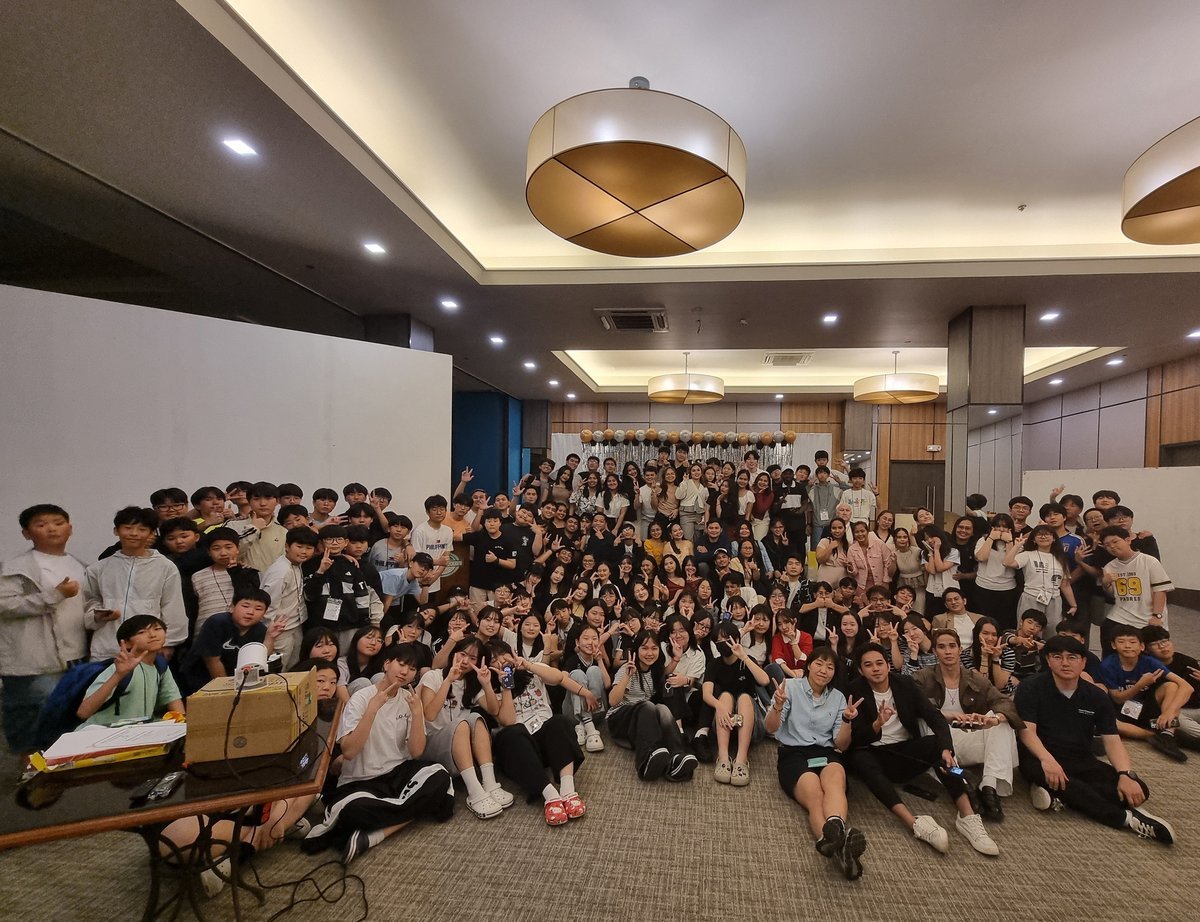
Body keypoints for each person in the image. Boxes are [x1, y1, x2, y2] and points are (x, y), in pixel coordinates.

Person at [302, 643, 455, 864]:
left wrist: (417, 713)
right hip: (361, 781)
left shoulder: (409, 699)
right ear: (386, 664)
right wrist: (373, 708)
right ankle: (404, 813)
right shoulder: (361, 698)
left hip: (397, 773)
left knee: (439, 776)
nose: (405, 672)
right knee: (354, 809)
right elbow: (349, 751)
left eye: (412, 668)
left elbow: (416, 751)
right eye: (401, 664)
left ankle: (374, 835)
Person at [1014, 635, 1175, 845]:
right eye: (1057, 657)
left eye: (1072, 657)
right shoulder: (1031, 687)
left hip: (1080, 758)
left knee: (1139, 790)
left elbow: (1112, 740)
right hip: (1038, 758)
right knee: (1074, 787)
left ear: (1083, 662)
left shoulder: (1096, 696)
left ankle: (1056, 795)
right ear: (1048, 660)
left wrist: (1126, 774)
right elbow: (1027, 732)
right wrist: (1047, 760)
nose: (1065, 663)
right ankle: (1126, 819)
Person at [844, 643, 999, 855]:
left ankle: (967, 815)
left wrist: (946, 749)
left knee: (939, 748)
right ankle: (913, 822)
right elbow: (857, 739)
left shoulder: (905, 684)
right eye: (868, 665)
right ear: (861, 670)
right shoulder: (854, 691)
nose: (876, 669)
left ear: (888, 665)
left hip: (905, 751)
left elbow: (935, 717)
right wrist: (877, 724)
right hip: (873, 753)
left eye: (879, 663)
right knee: (860, 758)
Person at [765, 646, 866, 881]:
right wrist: (778, 705)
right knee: (815, 795)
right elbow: (770, 728)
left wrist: (847, 720)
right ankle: (839, 844)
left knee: (835, 782)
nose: (824, 670)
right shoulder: (789, 688)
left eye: (830, 667)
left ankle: (831, 831)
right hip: (793, 753)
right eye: (819, 663)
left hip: (826, 752)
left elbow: (841, 744)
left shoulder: (838, 698)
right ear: (809, 665)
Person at [0, 504, 88, 754]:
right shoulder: (14, 567)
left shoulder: (79, 564)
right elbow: (5, 605)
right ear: (26, 533)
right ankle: (29, 773)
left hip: (77, 656)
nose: (52, 529)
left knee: (69, 722)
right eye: (41, 524)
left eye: (58, 523)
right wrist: (55, 594)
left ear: (70, 528)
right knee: (32, 723)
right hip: (33, 661)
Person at [912, 629, 1023, 821]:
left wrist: (993, 719)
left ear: (960, 649)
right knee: (925, 721)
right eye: (942, 647)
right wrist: (944, 716)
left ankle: (989, 786)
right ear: (935, 652)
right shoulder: (923, 676)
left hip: (967, 738)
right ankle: (962, 783)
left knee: (1002, 722)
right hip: (939, 744)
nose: (948, 651)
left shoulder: (974, 677)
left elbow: (1004, 702)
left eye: (952, 646)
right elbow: (910, 705)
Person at [484, 640, 591, 825]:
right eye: (494, 660)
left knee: (559, 722)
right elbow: (508, 721)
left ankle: (568, 791)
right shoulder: (489, 686)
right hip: (519, 749)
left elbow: (558, 678)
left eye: (503, 655)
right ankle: (550, 796)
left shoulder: (532, 669)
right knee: (513, 732)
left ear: (512, 653)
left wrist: (528, 665)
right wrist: (505, 686)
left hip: (545, 741)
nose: (501, 661)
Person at [419, 636, 514, 819]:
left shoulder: (470, 683)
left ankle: (489, 783)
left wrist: (486, 684)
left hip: (458, 747)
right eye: (462, 654)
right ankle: (474, 792)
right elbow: (429, 714)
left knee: (475, 718)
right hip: (431, 745)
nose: (465, 661)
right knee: (462, 724)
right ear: (454, 653)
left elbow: (494, 710)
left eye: (472, 658)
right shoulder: (433, 676)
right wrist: (448, 680)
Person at [83, 506, 188, 661]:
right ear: (116, 531)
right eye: (127, 528)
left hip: (148, 648)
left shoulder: (165, 567)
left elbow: (173, 606)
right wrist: (96, 615)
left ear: (151, 534)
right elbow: (90, 601)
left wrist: (168, 642)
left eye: (142, 529)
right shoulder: (99, 568)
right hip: (106, 647)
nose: (134, 533)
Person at [607, 631, 699, 782]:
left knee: (662, 709)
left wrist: (676, 659)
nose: (649, 653)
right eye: (644, 648)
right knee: (648, 706)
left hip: (643, 723)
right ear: (636, 650)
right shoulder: (627, 668)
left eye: (654, 648)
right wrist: (628, 676)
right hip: (620, 722)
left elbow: (663, 674)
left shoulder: (654, 669)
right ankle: (645, 760)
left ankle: (677, 756)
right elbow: (612, 701)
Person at [1097, 624, 1192, 763]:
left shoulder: (1149, 662)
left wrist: (1169, 712)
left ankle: (1167, 734)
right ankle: (1152, 734)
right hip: (1122, 712)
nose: (1127, 646)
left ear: (1142, 646)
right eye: (1121, 642)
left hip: (1145, 709)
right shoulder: (1108, 665)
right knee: (1110, 724)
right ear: (1113, 645)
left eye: (1132, 642)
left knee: (1171, 686)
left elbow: (1186, 687)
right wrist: (1140, 685)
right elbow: (1117, 699)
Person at [76, 615, 183, 726]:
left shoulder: (160, 666)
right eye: (142, 632)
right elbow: (83, 712)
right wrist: (118, 675)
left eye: (157, 629)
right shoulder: (118, 668)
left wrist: (183, 726)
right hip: (103, 731)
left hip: (139, 731)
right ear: (126, 643)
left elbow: (174, 701)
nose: (152, 635)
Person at [699, 622, 769, 786]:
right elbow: (706, 694)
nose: (722, 643)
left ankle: (741, 760)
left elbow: (765, 680)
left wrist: (744, 656)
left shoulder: (747, 660)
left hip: (751, 725)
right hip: (725, 721)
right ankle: (723, 757)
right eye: (718, 640)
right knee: (724, 697)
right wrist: (719, 706)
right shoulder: (715, 664)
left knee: (744, 698)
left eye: (726, 638)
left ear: (736, 639)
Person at [179, 589, 284, 695]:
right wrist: (226, 691)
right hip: (200, 679)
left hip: (235, 682)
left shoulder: (260, 629)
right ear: (232, 607)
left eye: (258, 609)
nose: (250, 612)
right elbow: (212, 660)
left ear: (264, 613)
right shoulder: (216, 623)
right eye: (245, 606)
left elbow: (260, 660)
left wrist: (270, 637)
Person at [1097, 526, 1173, 650]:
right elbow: (1113, 594)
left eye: (1115, 541)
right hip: (1121, 615)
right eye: (1107, 545)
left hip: (1147, 617)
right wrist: (1105, 583)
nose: (1112, 547)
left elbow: (1160, 590)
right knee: (1107, 631)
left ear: (1128, 540)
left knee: (1154, 651)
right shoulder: (1109, 567)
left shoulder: (1149, 561)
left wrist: (1157, 615)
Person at [260, 526, 319, 669]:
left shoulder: (297, 565)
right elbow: (268, 605)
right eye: (299, 547)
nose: (304, 552)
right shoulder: (281, 571)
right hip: (279, 631)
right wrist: (270, 633)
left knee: (294, 667)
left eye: (309, 548)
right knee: (279, 669)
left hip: (295, 625)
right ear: (287, 546)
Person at [1140, 625, 1200, 751]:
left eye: (1165, 641)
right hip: (1168, 714)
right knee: (1178, 722)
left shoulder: (1188, 662)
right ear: (1145, 649)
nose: (1163, 646)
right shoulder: (1148, 667)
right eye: (1155, 644)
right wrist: (1170, 712)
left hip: (1194, 710)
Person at [191, 527, 260, 634]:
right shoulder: (198, 576)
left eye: (228, 547)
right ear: (209, 552)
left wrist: (236, 571)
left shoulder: (249, 573)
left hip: (239, 632)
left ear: (237, 549)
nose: (223, 553)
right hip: (205, 631)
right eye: (216, 548)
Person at [238, 482, 288, 572]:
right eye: (256, 499)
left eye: (268, 498)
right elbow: (229, 555)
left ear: (277, 501)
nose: (263, 503)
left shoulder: (283, 532)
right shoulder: (233, 525)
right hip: (242, 579)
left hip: (272, 579)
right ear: (249, 501)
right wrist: (253, 529)